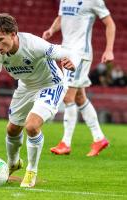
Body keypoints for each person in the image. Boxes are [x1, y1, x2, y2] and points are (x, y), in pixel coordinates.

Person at [0, 13, 78, 188]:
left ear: (13, 34)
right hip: (25, 86)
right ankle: (13, 162)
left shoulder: (33, 44)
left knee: (31, 126)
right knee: (12, 129)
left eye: (0, 39)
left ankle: (31, 170)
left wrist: (69, 60)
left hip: (50, 84)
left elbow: (64, 51)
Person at [42, 0, 116, 156]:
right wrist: (51, 30)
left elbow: (110, 24)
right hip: (66, 52)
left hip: (80, 55)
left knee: (68, 96)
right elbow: (61, 18)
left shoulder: (93, 1)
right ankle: (99, 138)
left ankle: (65, 143)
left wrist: (109, 50)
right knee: (80, 98)